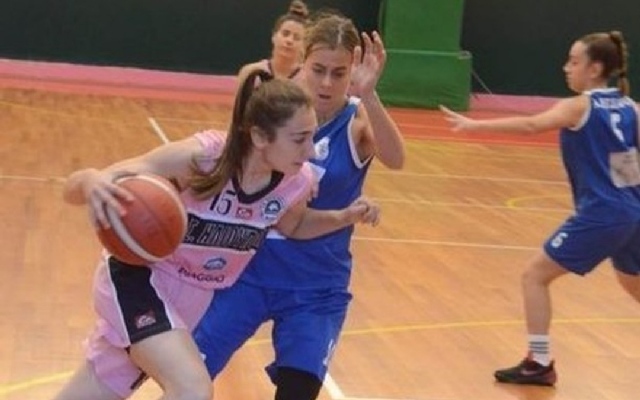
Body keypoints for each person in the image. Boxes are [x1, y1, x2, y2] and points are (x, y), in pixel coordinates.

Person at [53, 70, 381, 400]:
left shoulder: (295, 180)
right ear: (259, 136)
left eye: (312, 137)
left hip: (191, 298)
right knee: (193, 389)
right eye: (299, 139)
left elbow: (293, 225)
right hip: (139, 280)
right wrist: (90, 181)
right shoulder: (204, 157)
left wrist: (344, 216)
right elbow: (84, 184)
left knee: (93, 391)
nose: (311, 151)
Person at [194, 11, 405, 400]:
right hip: (249, 270)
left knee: (298, 391)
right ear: (303, 62)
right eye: (318, 69)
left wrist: (370, 95)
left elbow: (396, 158)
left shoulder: (356, 120)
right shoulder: (275, 109)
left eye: (339, 73)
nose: (327, 82)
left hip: (315, 284)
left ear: (353, 71)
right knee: (186, 377)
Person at [441, 31, 640, 386]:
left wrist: (475, 124)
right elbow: (628, 163)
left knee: (535, 275)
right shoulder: (630, 108)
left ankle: (539, 362)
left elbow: (532, 125)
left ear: (595, 69)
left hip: (603, 213)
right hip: (631, 212)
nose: (566, 67)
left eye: (574, 61)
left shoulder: (579, 106)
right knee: (635, 286)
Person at [237, 0, 309, 84]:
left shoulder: (307, 79)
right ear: (274, 36)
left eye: (296, 38)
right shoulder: (251, 73)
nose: (289, 40)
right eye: (285, 34)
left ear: (304, 45)